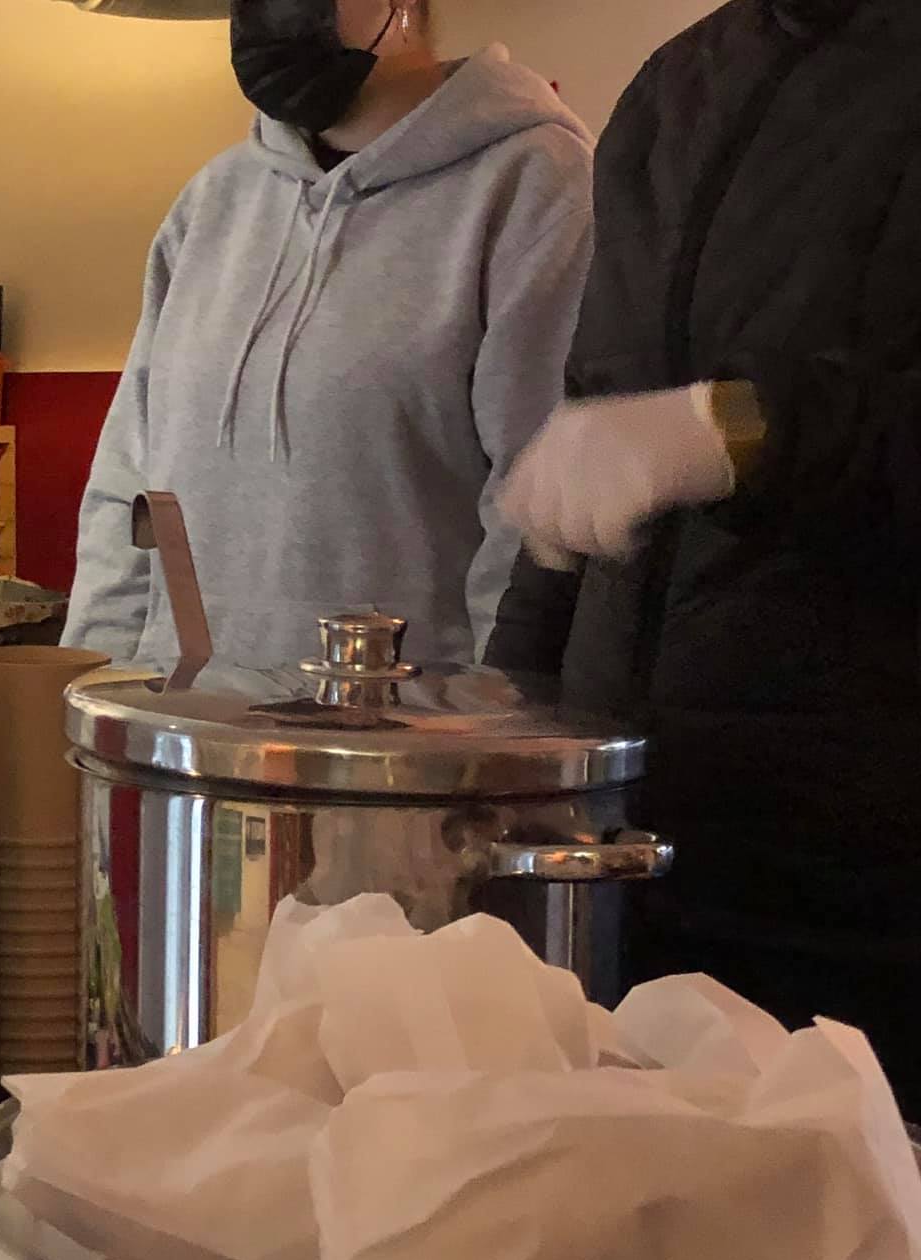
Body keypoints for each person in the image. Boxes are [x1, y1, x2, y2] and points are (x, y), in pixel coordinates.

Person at [488, 0, 921, 1106]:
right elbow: (595, 422)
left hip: (865, 894)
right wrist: (505, 716)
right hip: (635, 855)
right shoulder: (680, 83)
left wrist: (741, 433)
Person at [63, 0, 594, 671]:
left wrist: (494, 717)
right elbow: (128, 485)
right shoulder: (213, 202)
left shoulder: (535, 184)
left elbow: (533, 510)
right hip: (185, 724)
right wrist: (92, 690)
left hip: (402, 725)